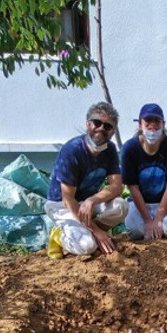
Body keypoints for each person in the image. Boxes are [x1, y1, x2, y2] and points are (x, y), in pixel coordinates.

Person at [44, 101, 128, 256]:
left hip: (87, 203)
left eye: (107, 126)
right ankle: (58, 236)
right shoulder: (72, 150)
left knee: (121, 206)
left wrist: (91, 201)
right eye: (97, 123)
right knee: (87, 247)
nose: (101, 128)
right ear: (88, 124)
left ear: (113, 131)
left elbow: (117, 186)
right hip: (61, 205)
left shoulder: (110, 150)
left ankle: (85, 230)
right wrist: (97, 231)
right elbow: (68, 198)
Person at [120, 103, 167, 240]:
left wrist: (157, 219)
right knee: (135, 232)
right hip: (140, 204)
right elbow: (133, 188)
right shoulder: (129, 148)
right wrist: (148, 221)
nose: (152, 126)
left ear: (163, 124)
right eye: (148, 121)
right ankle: (155, 230)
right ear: (140, 124)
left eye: (157, 121)